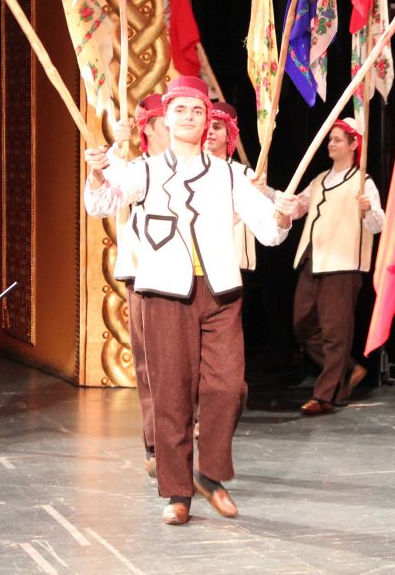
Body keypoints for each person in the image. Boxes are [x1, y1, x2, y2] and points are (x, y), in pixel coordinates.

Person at [83, 76, 297, 525]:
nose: (189, 117)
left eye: (198, 111)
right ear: (166, 117)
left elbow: (270, 232)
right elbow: (101, 203)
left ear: (206, 121)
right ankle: (177, 493)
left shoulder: (230, 174)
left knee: (229, 387)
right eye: (180, 110)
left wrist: (282, 215)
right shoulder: (145, 170)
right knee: (172, 394)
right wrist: (99, 171)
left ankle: (210, 474)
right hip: (164, 295)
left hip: (220, 293)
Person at [289, 117, 385, 415]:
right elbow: (296, 206)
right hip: (314, 261)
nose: (331, 144)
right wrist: (267, 194)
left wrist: (368, 210)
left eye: (338, 139)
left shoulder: (363, 182)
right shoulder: (320, 179)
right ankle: (349, 368)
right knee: (302, 324)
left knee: (335, 332)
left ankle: (325, 395)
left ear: (354, 145)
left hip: (342, 264)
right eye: (330, 139)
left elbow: (378, 225)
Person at [108, 94, 167, 479]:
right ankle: (158, 444)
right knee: (150, 366)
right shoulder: (134, 170)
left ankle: (182, 433)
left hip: (188, 276)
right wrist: (117, 147)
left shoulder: (195, 169)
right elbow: (107, 190)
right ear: (149, 129)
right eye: (167, 121)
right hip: (143, 276)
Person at [205, 102, 256, 271]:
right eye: (207, 126)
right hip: (197, 261)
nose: (210, 132)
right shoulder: (190, 169)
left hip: (231, 263)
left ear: (229, 134)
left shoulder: (244, 174)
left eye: (217, 127)